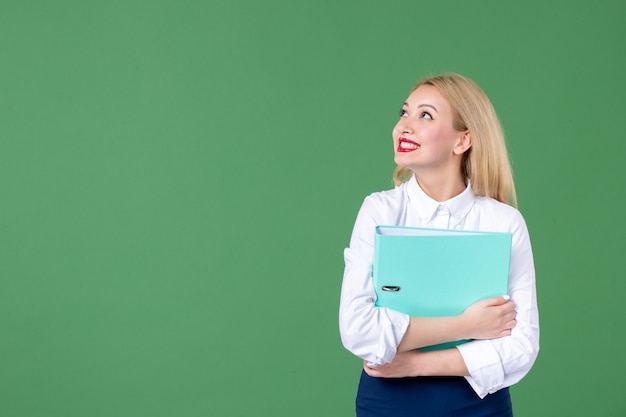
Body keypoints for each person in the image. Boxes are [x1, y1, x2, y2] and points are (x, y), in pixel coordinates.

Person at [339, 73, 539, 416]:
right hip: (388, 402)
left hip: (479, 403)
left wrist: (412, 364)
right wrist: (469, 326)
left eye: (425, 115)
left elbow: (521, 347)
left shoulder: (504, 223)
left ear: (462, 141)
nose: (404, 126)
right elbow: (358, 332)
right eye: (404, 112)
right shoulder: (380, 210)